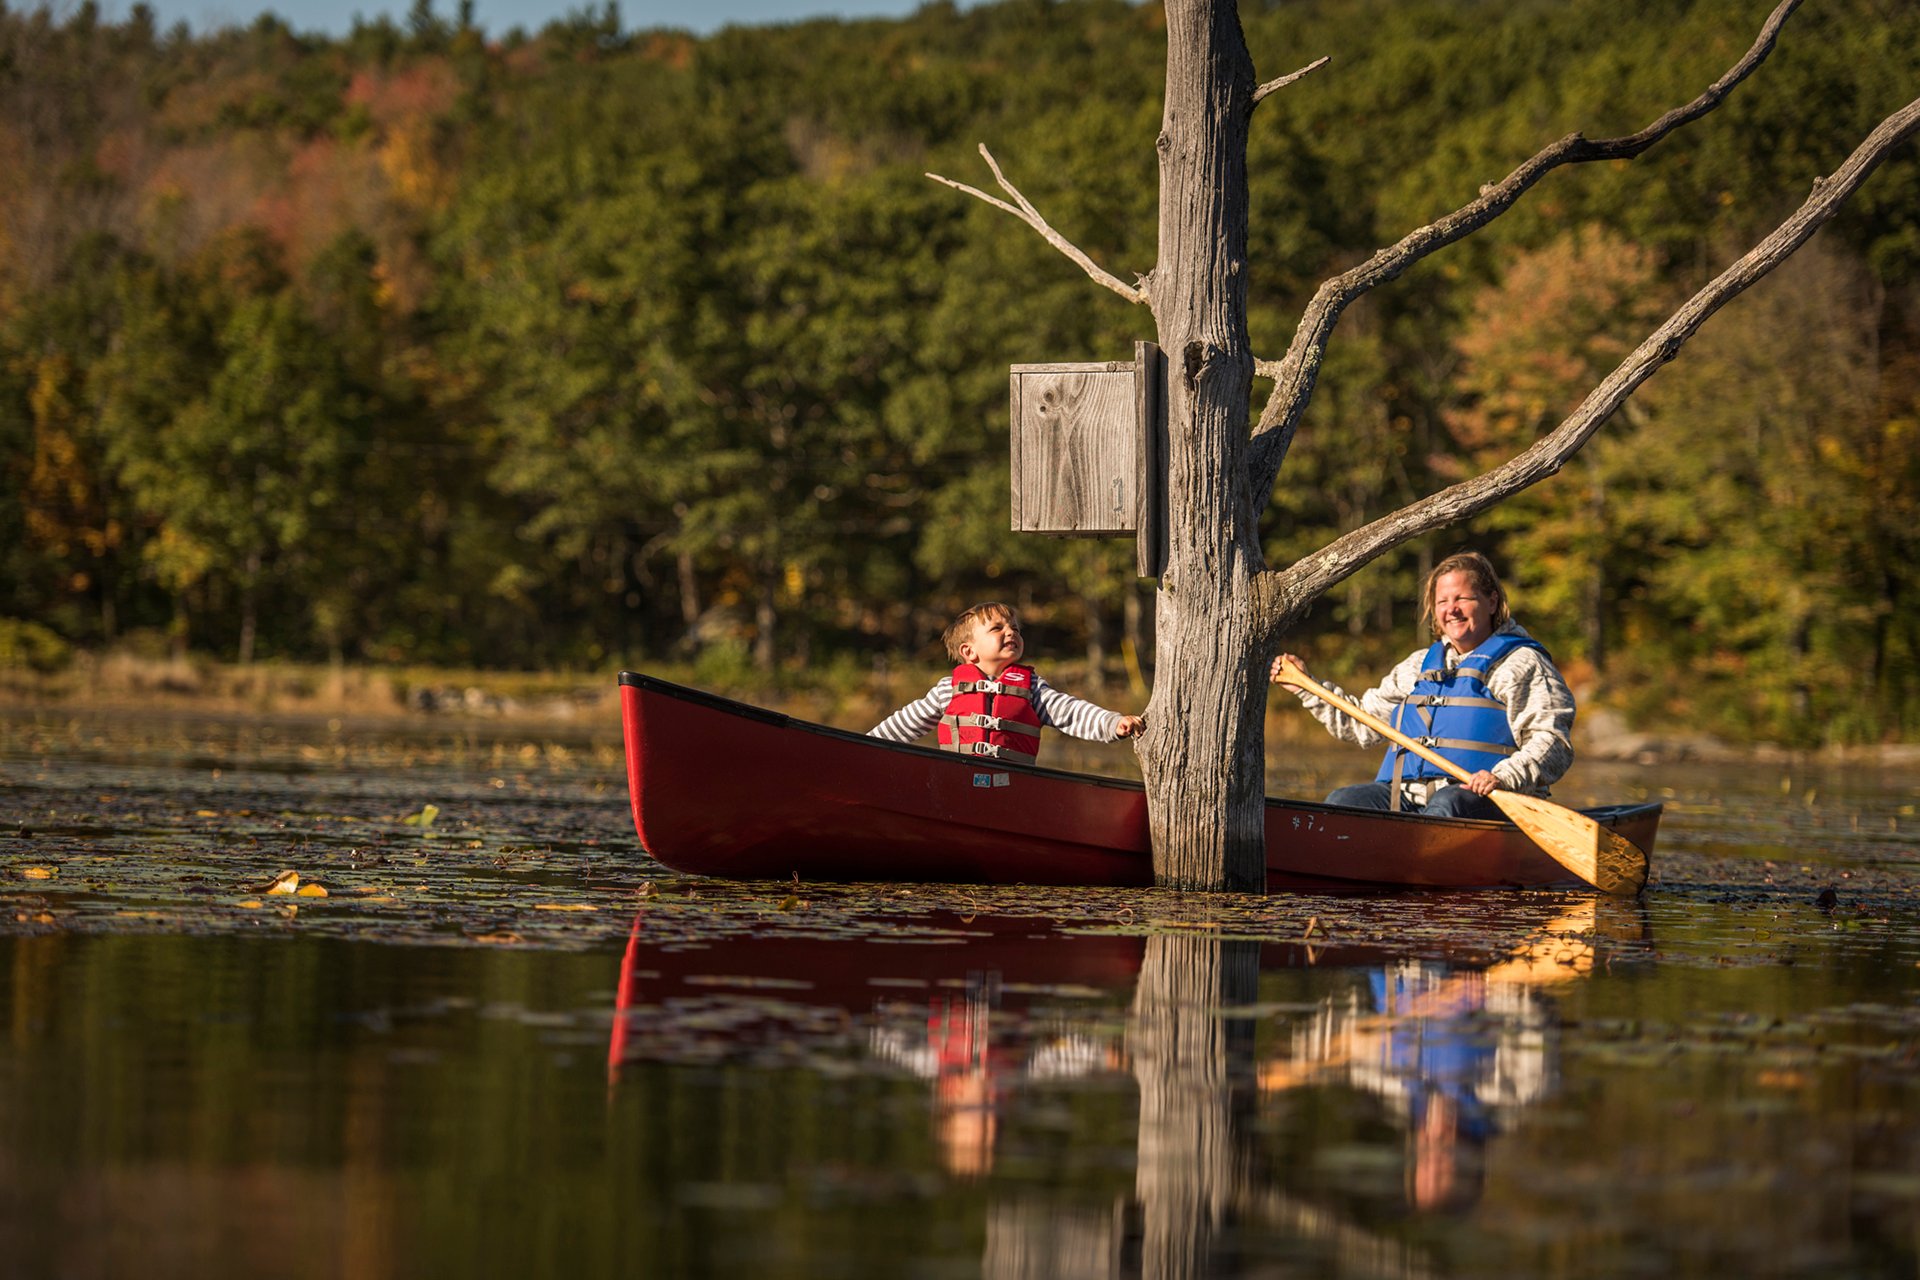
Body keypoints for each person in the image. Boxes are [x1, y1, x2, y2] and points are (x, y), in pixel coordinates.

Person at [1269, 551, 1573, 819]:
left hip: (1487, 799)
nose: (1451, 609)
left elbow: (1552, 742)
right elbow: (1362, 724)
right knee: (1342, 801)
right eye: (1442, 601)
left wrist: (1503, 776)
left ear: (1492, 601)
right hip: (1408, 800)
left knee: (1446, 804)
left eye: (1462, 598)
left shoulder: (1520, 663)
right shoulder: (1418, 665)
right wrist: (1306, 688)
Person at [870, 602, 1144, 760]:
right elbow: (906, 723)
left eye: (1015, 627)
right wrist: (864, 746)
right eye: (997, 628)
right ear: (969, 652)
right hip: (956, 785)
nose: (1010, 631)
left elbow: (1071, 713)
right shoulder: (947, 689)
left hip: (1014, 787)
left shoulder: (1033, 688)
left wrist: (1112, 723)